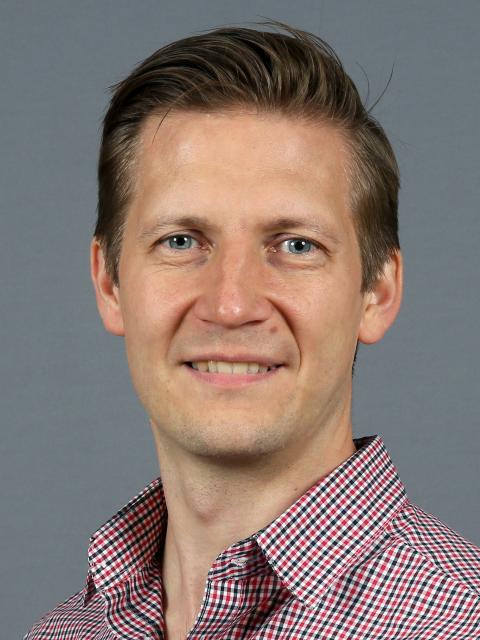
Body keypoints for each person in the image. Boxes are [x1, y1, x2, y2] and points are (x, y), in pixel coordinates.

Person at [25, 20, 480, 640]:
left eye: (295, 245)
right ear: (110, 284)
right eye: (180, 241)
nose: (232, 305)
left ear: (377, 292)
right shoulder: (66, 630)